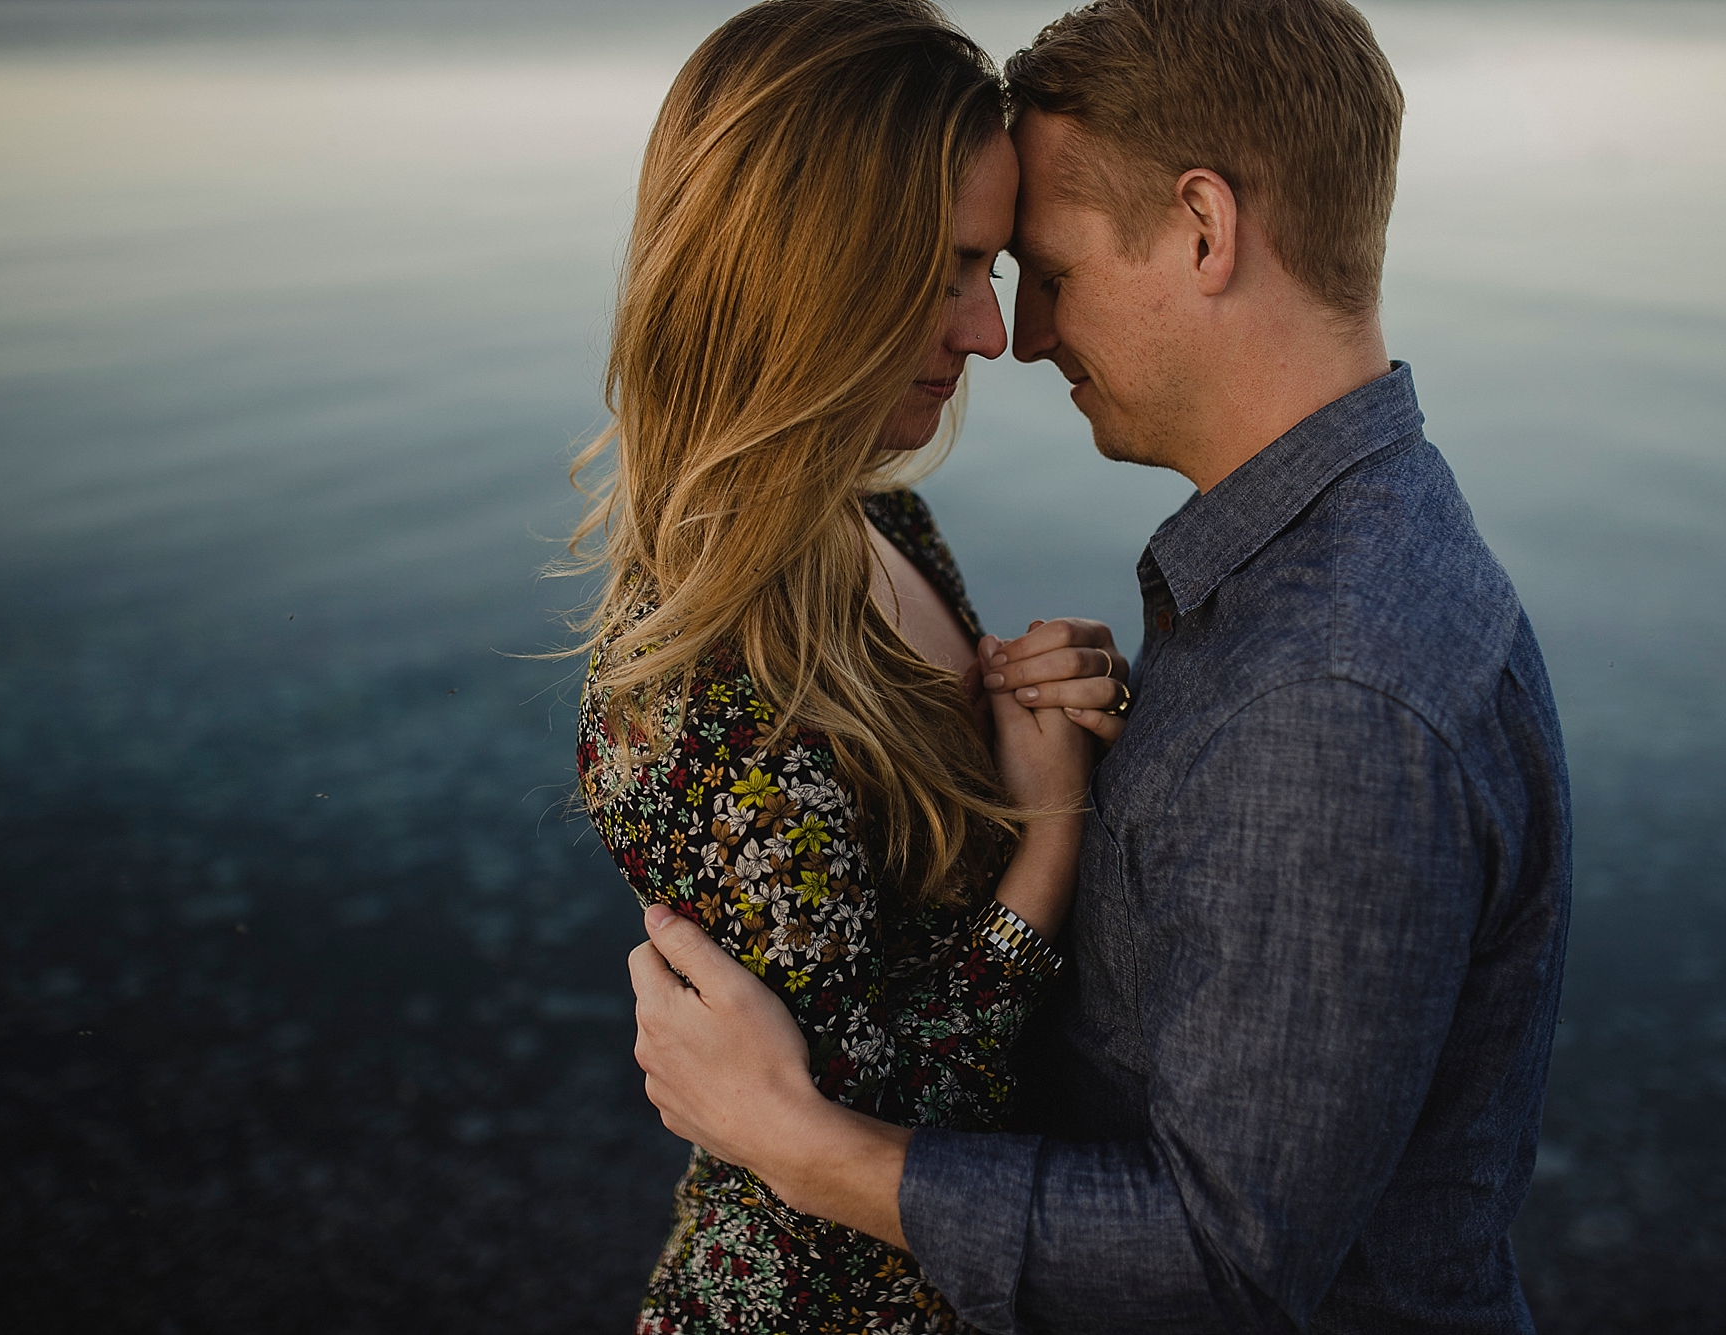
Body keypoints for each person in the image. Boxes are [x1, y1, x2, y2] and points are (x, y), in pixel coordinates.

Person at [627, 0, 1574, 1332]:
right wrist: (1137, 773)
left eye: (1048, 271)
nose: (1018, 338)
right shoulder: (1320, 583)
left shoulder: (1328, 697)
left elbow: (1225, 1267)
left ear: (1204, 228)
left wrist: (800, 1146)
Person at [567, 2, 1132, 1330]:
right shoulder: (693, 691)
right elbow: (870, 1136)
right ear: (803, 268)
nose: (991, 337)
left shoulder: (881, 521)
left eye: (989, 271)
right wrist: (1050, 834)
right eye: (947, 273)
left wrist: (1057, 708)